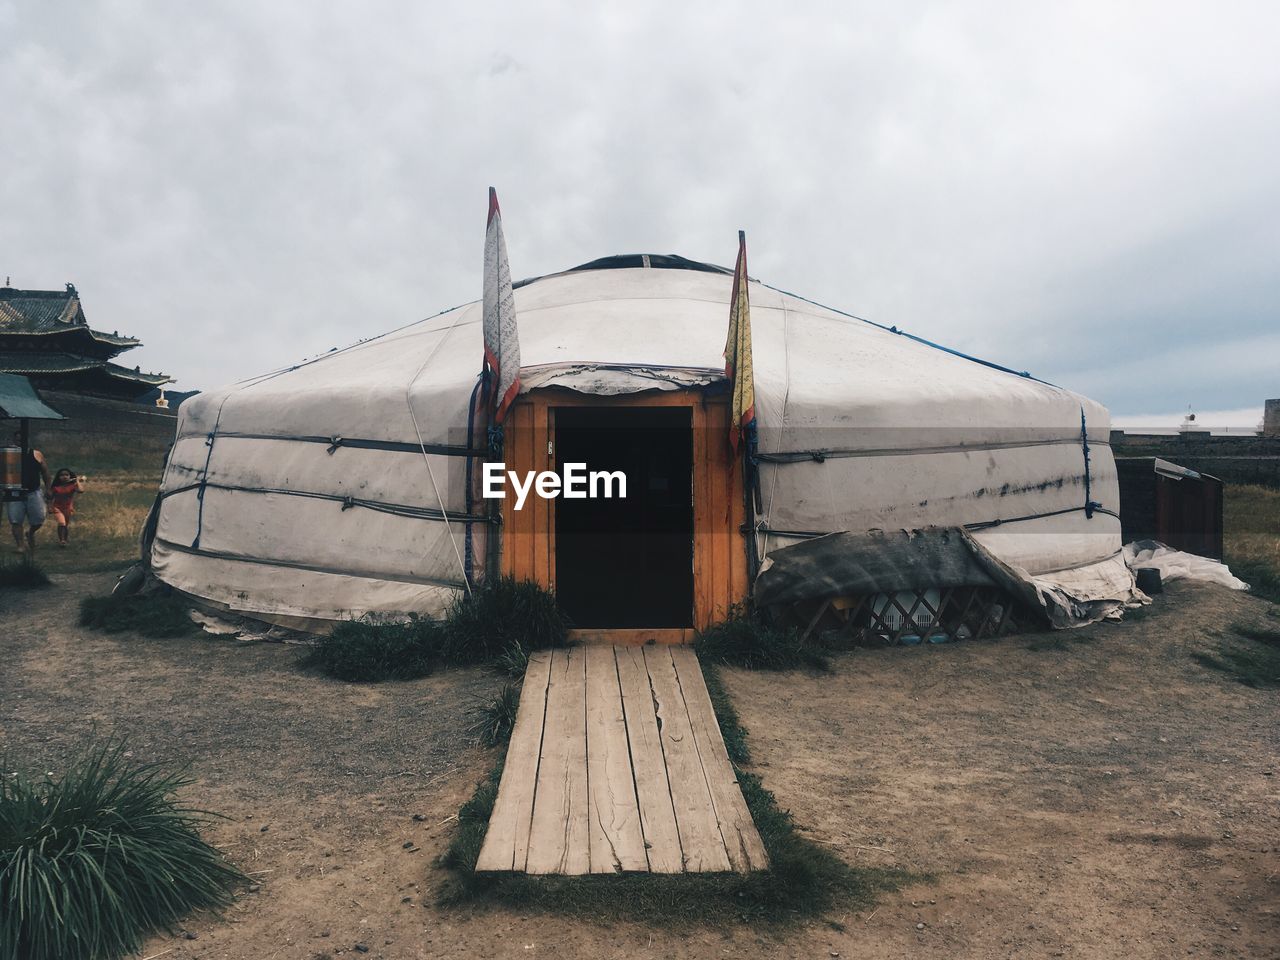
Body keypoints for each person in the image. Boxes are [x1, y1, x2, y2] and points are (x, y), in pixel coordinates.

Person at [7, 430, 50, 555]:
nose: (20, 442)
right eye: (18, 440)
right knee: (15, 520)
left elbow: (45, 472)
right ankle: (21, 545)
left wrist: (48, 488)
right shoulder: (9, 455)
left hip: (33, 492)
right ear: (15, 440)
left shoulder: (36, 454)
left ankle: (30, 533)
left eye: (22, 440)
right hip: (15, 492)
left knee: (39, 519)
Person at [49, 468, 87, 547]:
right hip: (57, 507)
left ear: (70, 476)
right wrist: (49, 507)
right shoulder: (56, 487)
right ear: (58, 477)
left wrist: (77, 481)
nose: (64, 477)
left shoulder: (72, 486)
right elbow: (50, 498)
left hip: (67, 508)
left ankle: (64, 540)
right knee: (61, 522)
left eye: (66, 475)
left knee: (65, 525)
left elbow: (81, 491)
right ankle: (62, 540)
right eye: (62, 475)